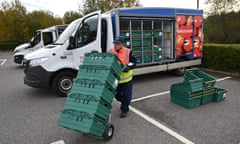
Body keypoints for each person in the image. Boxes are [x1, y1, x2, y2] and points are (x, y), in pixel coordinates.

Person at [111, 36, 136, 118]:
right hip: (116, 80)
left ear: (122, 44)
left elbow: (134, 62)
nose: (115, 45)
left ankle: (124, 110)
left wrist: (129, 67)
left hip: (127, 80)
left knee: (127, 97)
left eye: (117, 44)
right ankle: (125, 102)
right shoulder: (110, 51)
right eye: (114, 43)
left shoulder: (128, 51)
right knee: (116, 95)